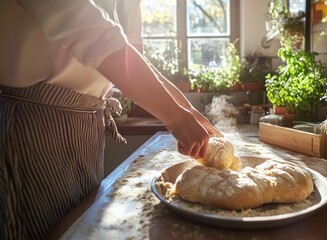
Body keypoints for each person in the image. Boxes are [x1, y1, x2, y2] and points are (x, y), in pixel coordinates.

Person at [0, 1, 222, 239]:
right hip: (34, 124)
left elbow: (120, 46)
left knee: (77, 228)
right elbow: (88, 29)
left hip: (84, 122)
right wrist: (176, 116)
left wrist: (184, 108)